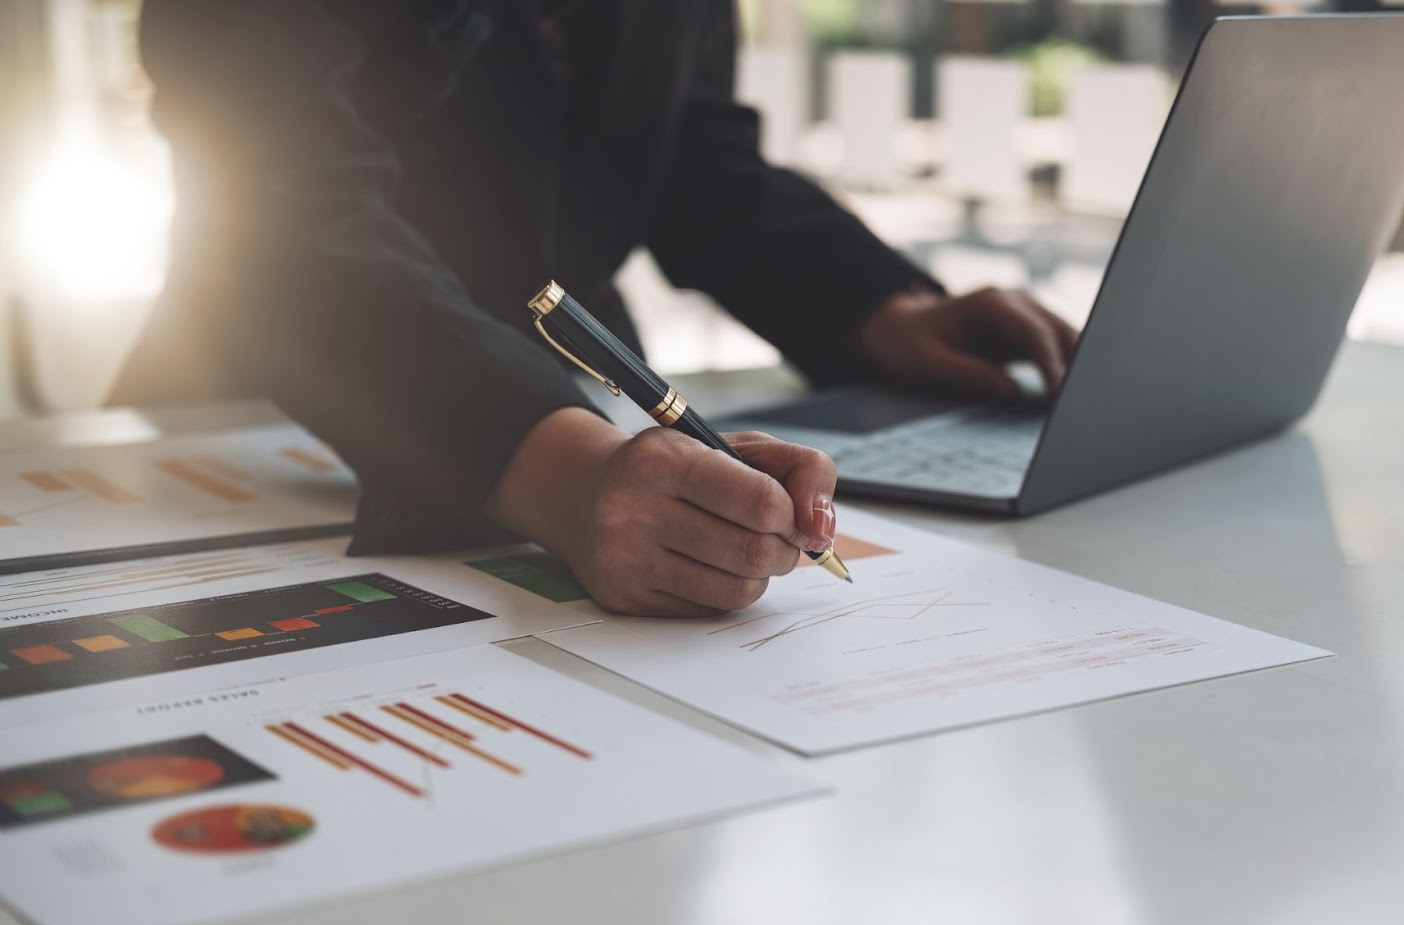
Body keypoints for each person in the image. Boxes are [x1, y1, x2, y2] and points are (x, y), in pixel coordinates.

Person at [114, 0, 1077, 615]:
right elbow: (284, 230)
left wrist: (882, 310)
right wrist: (561, 468)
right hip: (249, 427)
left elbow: (695, 157)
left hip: (588, 425)